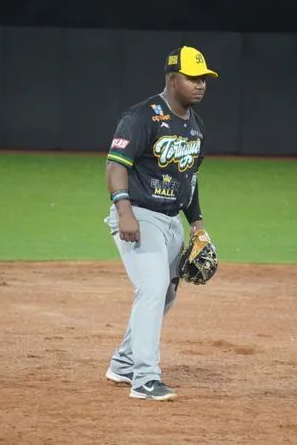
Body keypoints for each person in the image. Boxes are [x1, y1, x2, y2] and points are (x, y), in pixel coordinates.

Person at [101, 46, 217, 401]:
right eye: (192, 78)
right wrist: (124, 211)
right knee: (151, 288)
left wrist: (197, 224)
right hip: (139, 215)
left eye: (203, 79)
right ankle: (145, 379)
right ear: (172, 79)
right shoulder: (141, 117)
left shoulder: (196, 128)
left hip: (171, 223)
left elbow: (189, 181)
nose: (199, 85)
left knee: (164, 294)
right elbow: (115, 165)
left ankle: (122, 363)